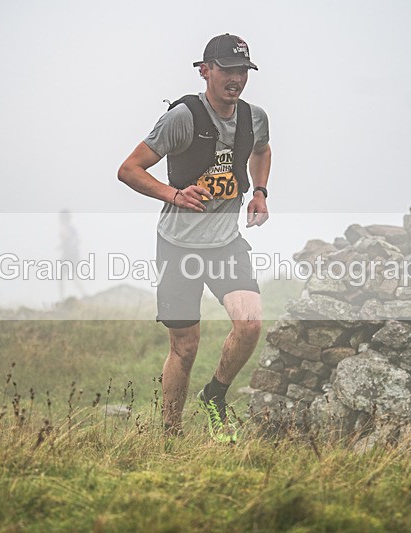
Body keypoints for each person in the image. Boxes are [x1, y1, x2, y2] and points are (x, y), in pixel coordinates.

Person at [117, 34, 272, 439]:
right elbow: (129, 169)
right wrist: (174, 194)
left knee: (251, 323)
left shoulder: (254, 117)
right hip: (178, 246)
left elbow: (262, 149)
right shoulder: (182, 117)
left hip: (225, 242)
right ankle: (172, 435)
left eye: (242, 70)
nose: (235, 78)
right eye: (226, 69)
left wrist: (260, 191)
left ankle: (215, 394)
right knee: (185, 348)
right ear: (205, 71)